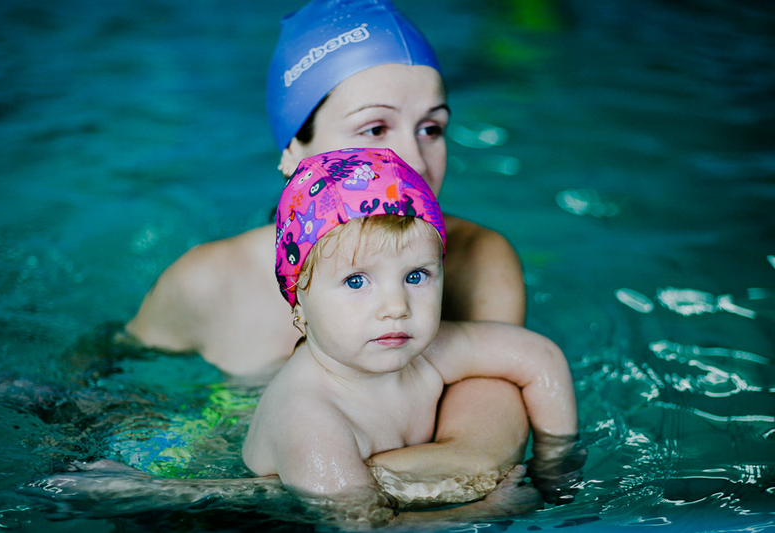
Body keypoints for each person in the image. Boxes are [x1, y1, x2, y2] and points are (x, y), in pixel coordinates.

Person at [118, 0, 561, 503]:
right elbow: (104, 401)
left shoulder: (478, 257)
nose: (414, 161)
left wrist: (179, 494)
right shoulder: (205, 280)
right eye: (374, 129)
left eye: (431, 129)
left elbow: (480, 461)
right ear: (294, 150)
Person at [242, 148, 578, 527]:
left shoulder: (426, 349)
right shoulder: (308, 420)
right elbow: (364, 526)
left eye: (416, 276)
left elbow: (540, 357)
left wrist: (557, 468)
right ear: (299, 303)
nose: (396, 307)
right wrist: (486, 511)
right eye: (356, 281)